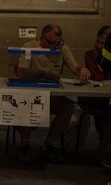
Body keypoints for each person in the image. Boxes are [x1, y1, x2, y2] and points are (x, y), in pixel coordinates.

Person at [15, 23, 90, 163]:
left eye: (58, 43)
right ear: (42, 38)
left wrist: (81, 69)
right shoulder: (29, 47)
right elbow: (21, 72)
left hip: (53, 94)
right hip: (31, 94)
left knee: (68, 107)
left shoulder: (61, 47)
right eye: (52, 43)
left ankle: (49, 144)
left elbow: (73, 65)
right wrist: (44, 74)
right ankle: (24, 144)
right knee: (23, 104)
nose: (55, 46)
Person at [79, 25, 111, 167]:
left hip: (106, 97)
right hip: (93, 97)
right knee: (108, 116)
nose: (99, 45)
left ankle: (102, 151)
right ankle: (101, 155)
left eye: (104, 44)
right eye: (98, 42)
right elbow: (97, 76)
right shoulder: (90, 55)